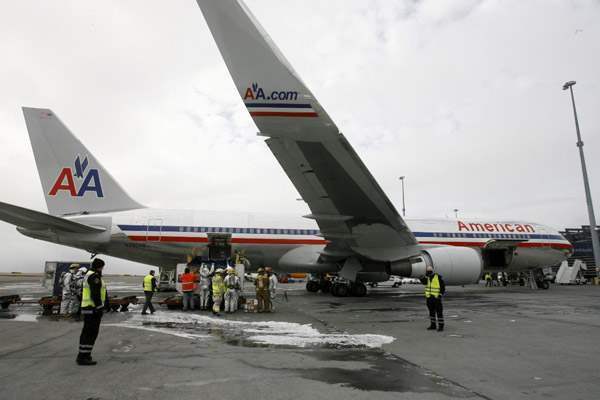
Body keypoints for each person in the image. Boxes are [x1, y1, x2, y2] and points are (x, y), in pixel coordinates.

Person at [77, 258, 108, 366]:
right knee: (91, 332)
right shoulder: (94, 276)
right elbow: (95, 293)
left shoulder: (88, 274)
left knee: (86, 332)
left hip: (88, 307)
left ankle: (82, 355)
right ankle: (83, 357)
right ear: (99, 267)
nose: (103, 268)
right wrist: (99, 307)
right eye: (102, 266)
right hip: (92, 308)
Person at [421, 266, 445, 331]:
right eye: (428, 271)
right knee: (431, 312)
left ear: (433, 270)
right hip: (429, 298)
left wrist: (440, 295)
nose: (429, 272)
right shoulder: (427, 278)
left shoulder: (438, 277)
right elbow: (424, 282)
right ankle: (433, 325)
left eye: (430, 271)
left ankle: (441, 326)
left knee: (439, 312)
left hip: (436, 298)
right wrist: (426, 275)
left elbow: (442, 287)